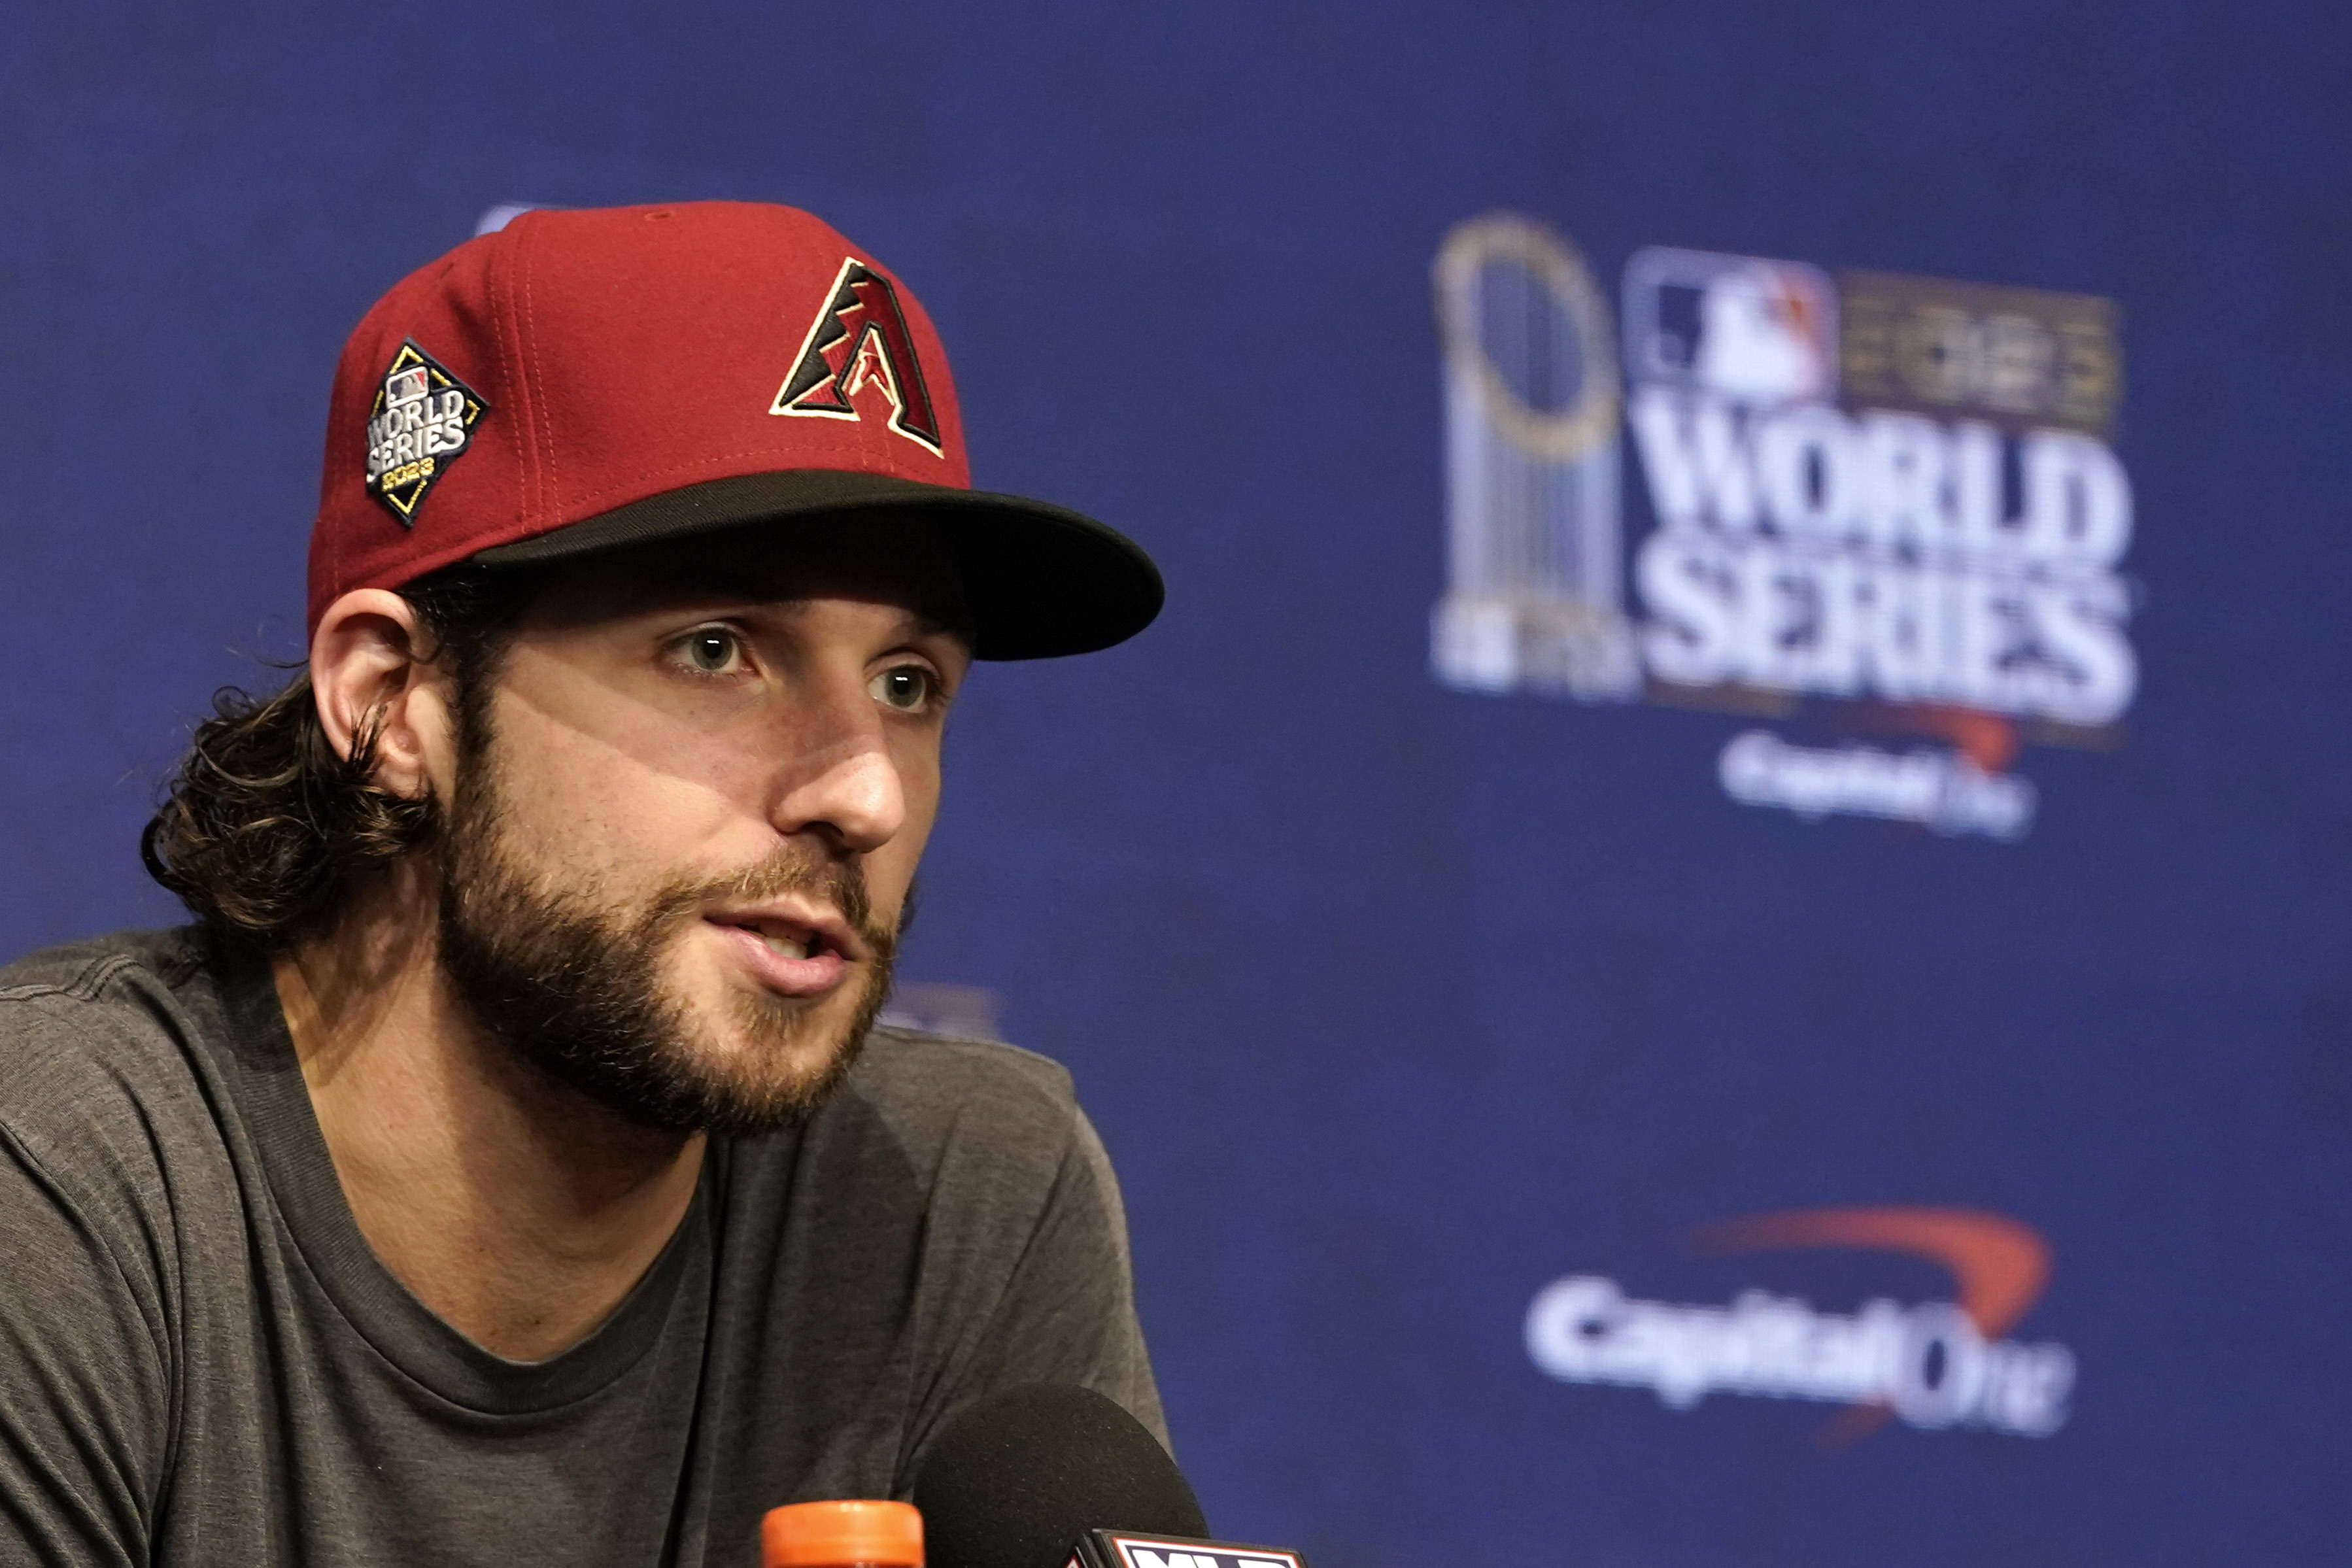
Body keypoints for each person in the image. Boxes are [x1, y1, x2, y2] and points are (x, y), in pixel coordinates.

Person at [0, 201, 1168, 1567]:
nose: (866, 795)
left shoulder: (956, 1192)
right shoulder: (59, 1182)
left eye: (908, 684)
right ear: (393, 702)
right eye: (717, 648)